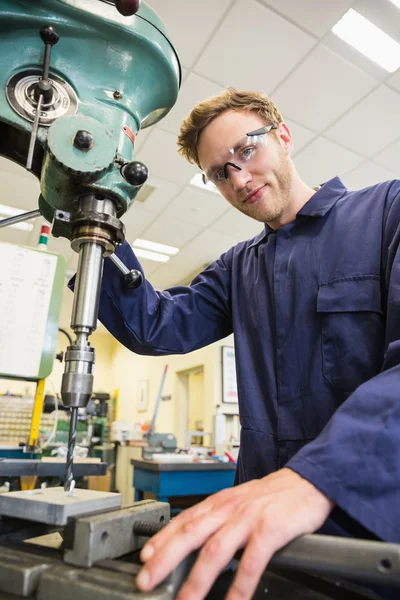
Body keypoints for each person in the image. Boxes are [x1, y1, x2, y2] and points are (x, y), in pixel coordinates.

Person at [95, 88, 400, 599]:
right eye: (219, 172)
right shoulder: (239, 267)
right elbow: (156, 326)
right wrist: (99, 233)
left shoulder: (386, 212)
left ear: (282, 136)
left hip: (369, 530)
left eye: (246, 151)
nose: (238, 178)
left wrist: (321, 476)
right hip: (261, 541)